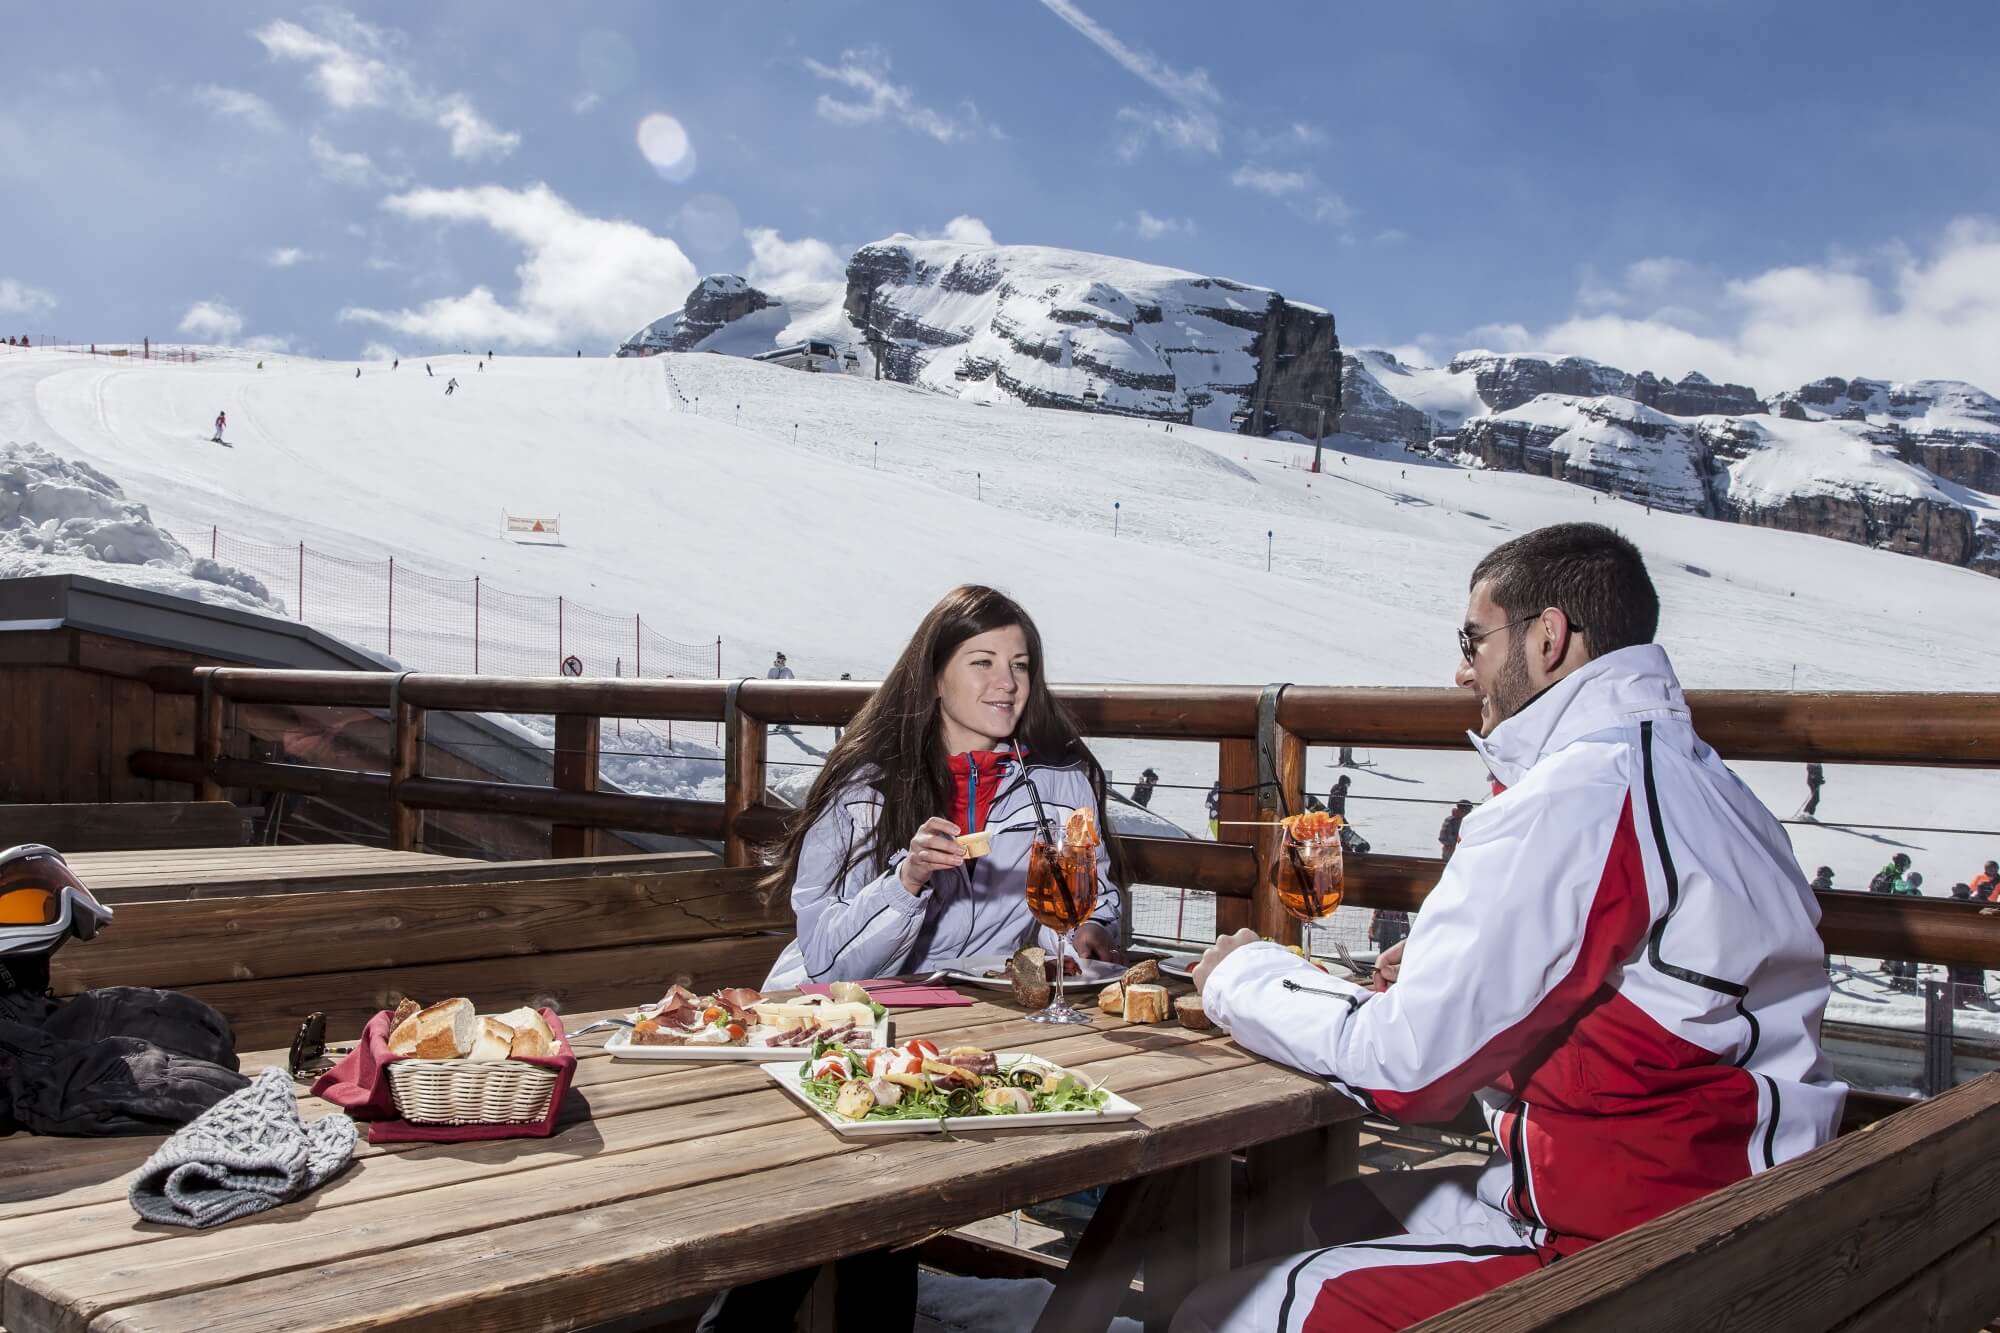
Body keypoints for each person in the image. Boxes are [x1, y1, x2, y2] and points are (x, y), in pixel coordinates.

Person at [1177, 522, 1842, 1333]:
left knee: (1221, 1311)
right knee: (1332, 1212)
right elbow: (1651, 994)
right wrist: (1449, 972)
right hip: (1745, 1211)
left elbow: (1407, 1069)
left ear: (1547, 637)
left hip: (1642, 1254)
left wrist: (1240, 975)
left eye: (1473, 640)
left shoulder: (1583, 792)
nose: (1463, 670)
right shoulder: (1702, 780)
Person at [712, 586, 1126, 1333]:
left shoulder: (1060, 780)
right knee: (846, 1191)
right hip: (829, 1022)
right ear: (935, 675)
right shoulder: (866, 785)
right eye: (983, 661)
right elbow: (826, 956)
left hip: (956, 1026)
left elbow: (1090, 893)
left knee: (888, 1195)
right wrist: (904, 882)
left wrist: (1089, 929)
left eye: (1021, 664)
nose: (1007, 682)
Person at [1438, 798, 1474, 863]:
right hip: (1451, 852)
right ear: (1461, 810)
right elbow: (1443, 837)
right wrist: (1454, 845)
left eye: (1469, 811)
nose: (1469, 813)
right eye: (1467, 811)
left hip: (1463, 851)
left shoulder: (1468, 821)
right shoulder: (1451, 821)